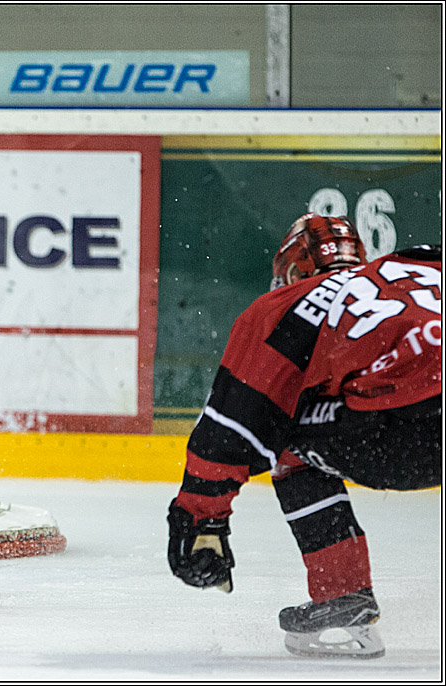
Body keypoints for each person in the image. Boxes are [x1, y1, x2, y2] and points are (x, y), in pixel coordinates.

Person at [166, 213, 442, 658]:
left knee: (284, 430)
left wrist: (200, 519)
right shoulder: (421, 266)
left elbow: (232, 427)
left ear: (293, 271)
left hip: (407, 432)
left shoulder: (286, 304)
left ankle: (343, 597)